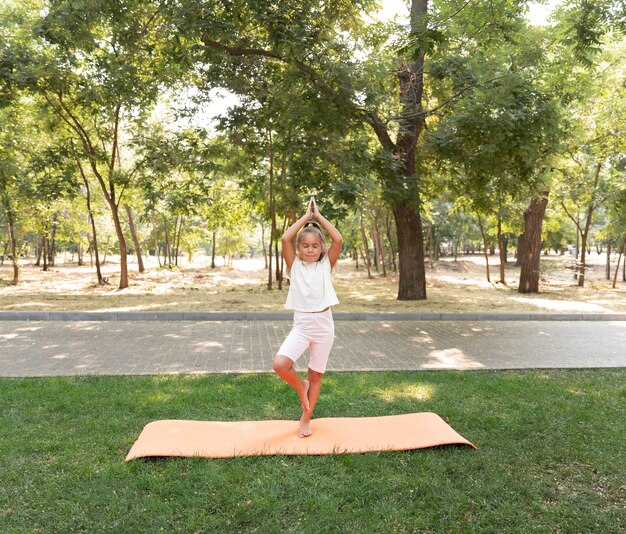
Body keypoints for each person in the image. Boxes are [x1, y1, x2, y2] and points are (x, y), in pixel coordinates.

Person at [273, 196, 342, 438]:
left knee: (315, 375)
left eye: (315, 246)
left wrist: (318, 216)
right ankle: (300, 385)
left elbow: (338, 239)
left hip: (324, 326)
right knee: (280, 365)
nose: (310, 249)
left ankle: (306, 417)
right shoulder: (294, 267)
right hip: (302, 326)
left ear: (321, 248)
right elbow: (284, 238)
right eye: (305, 246)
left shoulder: (326, 266)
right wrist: (306, 217)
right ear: (299, 249)